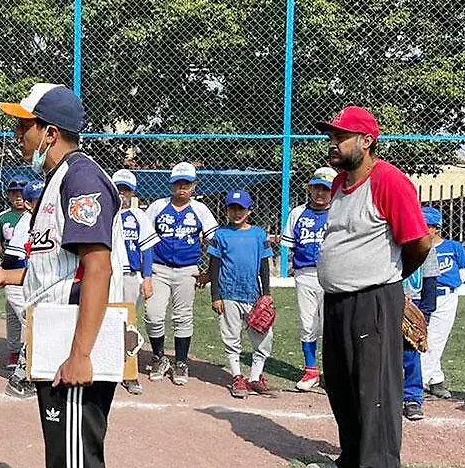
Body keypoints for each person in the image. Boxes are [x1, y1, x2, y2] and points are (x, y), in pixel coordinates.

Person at [0, 83, 129, 468]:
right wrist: (9, 277)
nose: (17, 132)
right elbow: (57, 269)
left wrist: (81, 353)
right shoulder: (58, 179)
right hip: (57, 337)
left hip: (72, 345)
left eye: (24, 124)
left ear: (50, 130)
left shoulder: (80, 177)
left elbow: (97, 266)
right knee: (80, 458)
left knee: (68, 464)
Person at [309, 106, 432, 468]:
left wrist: (391, 281)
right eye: (332, 135)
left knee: (375, 387)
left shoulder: (389, 181)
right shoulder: (342, 183)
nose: (333, 143)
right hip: (340, 299)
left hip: (374, 297)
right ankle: (352, 462)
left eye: (342, 136)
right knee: (342, 382)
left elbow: (418, 242)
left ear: (367, 141)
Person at [144, 162, 218, 385]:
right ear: (171, 185)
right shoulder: (158, 206)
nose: (182, 187)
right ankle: (159, 357)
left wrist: (208, 270)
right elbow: (145, 241)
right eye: (178, 183)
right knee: (153, 315)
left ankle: (181, 362)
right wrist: (145, 273)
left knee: (183, 317)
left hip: (187, 270)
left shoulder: (200, 209)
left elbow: (212, 240)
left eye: (186, 183)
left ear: (194, 185)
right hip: (159, 269)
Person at [207, 191, 275, 400]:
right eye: (232, 208)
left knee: (263, 336)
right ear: (226, 210)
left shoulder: (258, 234)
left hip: (253, 294)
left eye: (241, 208)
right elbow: (214, 267)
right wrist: (215, 296)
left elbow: (264, 266)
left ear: (249, 211)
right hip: (228, 293)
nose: (237, 212)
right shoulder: (220, 235)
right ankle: (237, 376)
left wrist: (266, 295)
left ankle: (255, 377)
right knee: (231, 336)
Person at [281, 166, 336, 391]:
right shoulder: (297, 213)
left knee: (332, 326)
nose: (320, 193)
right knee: (308, 324)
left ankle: (333, 373)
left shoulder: (338, 212)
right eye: (316, 188)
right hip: (305, 274)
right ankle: (311, 370)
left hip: (333, 275)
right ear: (310, 189)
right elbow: (289, 245)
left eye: (325, 189)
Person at [111, 169, 157, 395]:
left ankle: (130, 373)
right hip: (108, 276)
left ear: (132, 192)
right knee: (105, 320)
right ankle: (109, 368)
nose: (121, 193)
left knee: (129, 323)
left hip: (131, 275)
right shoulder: (104, 214)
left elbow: (147, 249)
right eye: (118, 188)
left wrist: (147, 278)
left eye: (125, 189)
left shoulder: (139, 216)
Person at [2, 179, 44, 398]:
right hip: (19, 284)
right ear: (28, 203)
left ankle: (30, 374)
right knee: (37, 328)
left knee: (39, 327)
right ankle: (20, 379)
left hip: (34, 285)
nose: (41, 202)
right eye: (36, 200)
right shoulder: (27, 221)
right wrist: (3, 277)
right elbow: (10, 258)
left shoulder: (48, 218)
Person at [421, 207, 465, 399]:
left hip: (446, 297)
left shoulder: (454, 247)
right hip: (423, 297)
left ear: (436, 228)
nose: (423, 229)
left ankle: (419, 381)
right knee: (421, 337)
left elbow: (463, 274)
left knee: (436, 339)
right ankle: (436, 380)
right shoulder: (418, 247)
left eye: (427, 226)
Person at [0, 178, 28, 368]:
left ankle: (30, 351)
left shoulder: (34, 216)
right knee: (12, 314)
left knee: (25, 312)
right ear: (8, 195)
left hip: (27, 267)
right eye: (14, 193)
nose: (19, 196)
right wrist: (5, 262)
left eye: (22, 192)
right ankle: (14, 351)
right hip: (10, 266)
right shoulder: (3, 217)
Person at [400, 243, 438, 421]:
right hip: (385, 299)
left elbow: (430, 280)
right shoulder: (382, 238)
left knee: (410, 353)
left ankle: (412, 398)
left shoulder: (425, 245)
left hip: (413, 303)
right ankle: (379, 396)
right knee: (379, 352)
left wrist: (426, 313)